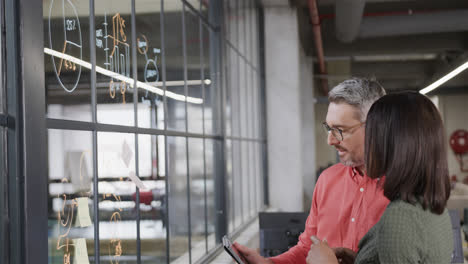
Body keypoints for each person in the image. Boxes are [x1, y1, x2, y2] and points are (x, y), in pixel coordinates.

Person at [233, 78, 390, 264]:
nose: (330, 141)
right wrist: (270, 263)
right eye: (329, 129)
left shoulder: (407, 190)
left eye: (340, 130)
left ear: (374, 126)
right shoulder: (327, 180)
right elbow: (307, 248)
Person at [306, 91, 454, 263]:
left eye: (372, 135)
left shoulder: (400, 218)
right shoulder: (431, 207)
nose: (368, 143)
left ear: (392, 144)